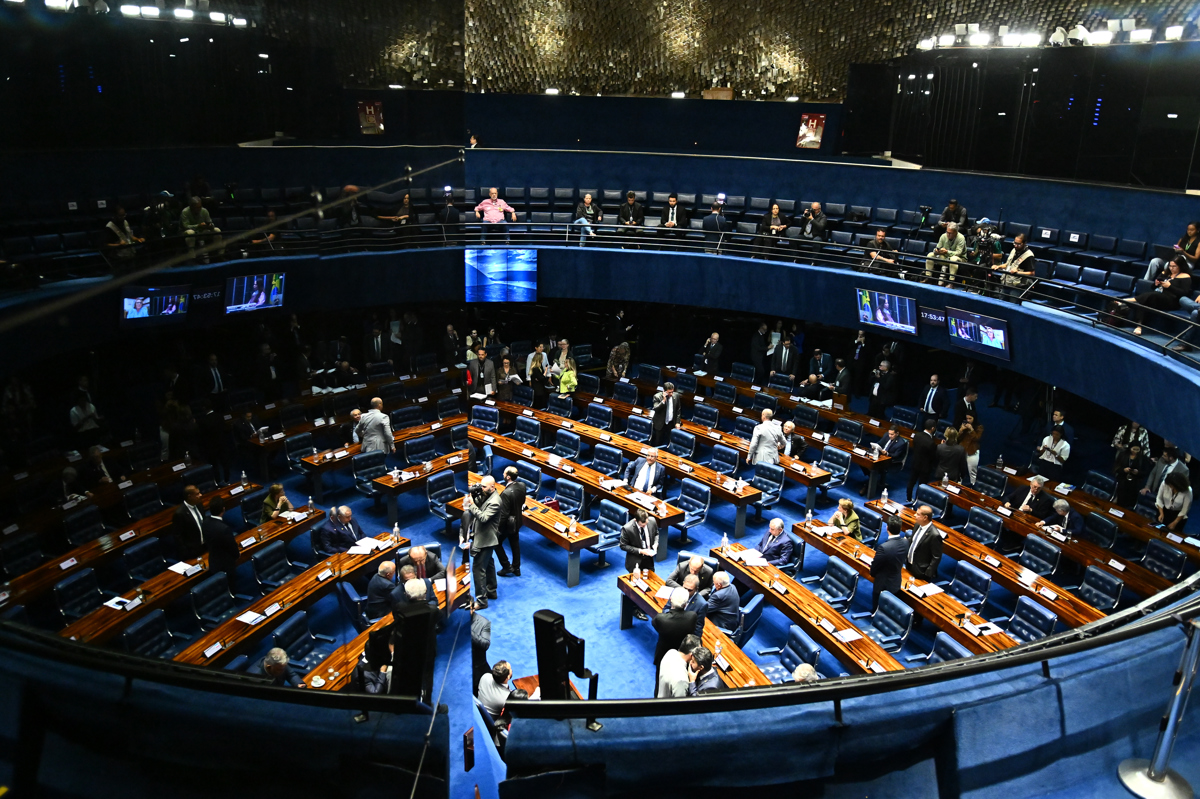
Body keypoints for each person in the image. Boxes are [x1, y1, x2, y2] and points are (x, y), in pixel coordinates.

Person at [1124, 255, 1192, 336]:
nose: (1171, 268)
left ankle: (1131, 300)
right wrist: (1156, 284)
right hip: (1159, 297)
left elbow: (1184, 293)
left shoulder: (1185, 277)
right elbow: (1153, 287)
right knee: (1145, 302)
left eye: (1174, 266)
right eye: (1170, 266)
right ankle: (1139, 326)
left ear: (1180, 266)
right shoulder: (1165, 273)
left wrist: (1169, 286)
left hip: (1172, 301)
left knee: (1153, 295)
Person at [462, 475, 502, 610]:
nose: (482, 488)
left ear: (492, 487)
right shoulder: (487, 494)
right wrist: (474, 495)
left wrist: (471, 505)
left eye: (484, 487)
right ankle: (491, 590)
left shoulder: (495, 501)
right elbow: (480, 505)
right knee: (489, 564)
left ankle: (482, 601)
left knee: (478, 569)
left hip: (486, 540)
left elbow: (483, 517)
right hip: (485, 537)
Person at [653, 588, 698, 666]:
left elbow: (656, 626)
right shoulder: (692, 616)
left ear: (670, 600)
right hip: (680, 654)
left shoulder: (660, 618)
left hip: (663, 654)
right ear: (685, 604)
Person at [870, 517, 908, 609]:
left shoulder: (884, 547)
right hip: (896, 582)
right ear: (900, 528)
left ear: (887, 528)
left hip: (882, 585)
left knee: (877, 610)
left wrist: (872, 573)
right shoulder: (906, 542)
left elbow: (875, 567)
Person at [496, 466, 526, 577]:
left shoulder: (506, 493)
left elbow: (504, 514)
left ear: (508, 477)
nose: (503, 474)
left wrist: (497, 528)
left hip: (508, 524)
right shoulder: (522, 485)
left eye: (504, 473)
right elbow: (522, 501)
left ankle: (506, 566)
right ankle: (516, 568)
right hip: (517, 520)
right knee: (515, 543)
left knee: (496, 542)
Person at [993, 233, 1037, 301]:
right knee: (1001, 302)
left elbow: (1032, 273)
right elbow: (1008, 264)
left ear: (1024, 243)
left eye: (1018, 244)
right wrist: (998, 266)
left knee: (1012, 303)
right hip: (1006, 283)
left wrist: (1018, 272)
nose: (1016, 245)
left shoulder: (1029, 255)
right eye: (1015, 243)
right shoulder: (1013, 250)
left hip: (1017, 287)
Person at [905, 505, 943, 582]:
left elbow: (936, 557)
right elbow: (913, 540)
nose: (915, 515)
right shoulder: (917, 525)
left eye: (918, 514)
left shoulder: (934, 535)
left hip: (921, 570)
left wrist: (928, 573)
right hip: (910, 563)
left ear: (925, 517)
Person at [202, 496, 237, 578]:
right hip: (226, 565)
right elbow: (232, 548)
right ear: (223, 509)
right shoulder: (224, 529)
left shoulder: (205, 522)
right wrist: (237, 555)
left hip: (213, 562)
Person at [620, 507, 659, 579]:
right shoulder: (627, 528)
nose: (644, 526)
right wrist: (640, 551)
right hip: (635, 560)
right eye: (642, 525)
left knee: (651, 579)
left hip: (649, 559)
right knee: (635, 582)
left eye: (646, 524)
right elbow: (623, 545)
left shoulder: (652, 521)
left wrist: (656, 543)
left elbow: (656, 534)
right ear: (636, 520)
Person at [172, 485, 207, 560]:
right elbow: (178, 536)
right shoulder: (180, 513)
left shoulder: (199, 504)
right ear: (190, 496)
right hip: (193, 552)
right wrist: (186, 553)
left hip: (206, 545)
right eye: (197, 494)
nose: (200, 495)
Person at [1114, 443, 1152, 508]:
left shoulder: (1143, 459)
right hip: (1122, 481)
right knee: (1120, 500)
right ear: (1130, 448)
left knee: (1129, 503)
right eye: (1134, 449)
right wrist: (1124, 470)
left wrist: (1138, 472)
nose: (1135, 451)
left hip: (1134, 484)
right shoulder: (1123, 455)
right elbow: (1116, 467)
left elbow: (1145, 472)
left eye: (1137, 450)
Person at [958, 414, 984, 484]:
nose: (968, 420)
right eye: (967, 418)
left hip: (972, 451)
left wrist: (971, 430)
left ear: (974, 418)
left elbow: (977, 438)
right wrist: (961, 430)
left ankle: (973, 485)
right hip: (962, 450)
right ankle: (958, 484)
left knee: (972, 471)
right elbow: (958, 438)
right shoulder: (964, 425)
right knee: (959, 470)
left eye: (970, 418)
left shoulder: (979, 427)